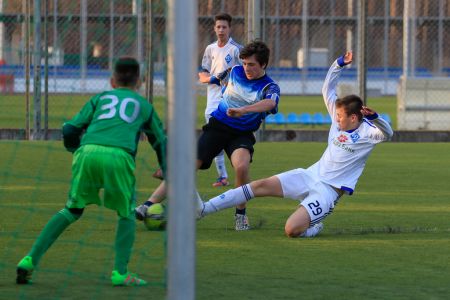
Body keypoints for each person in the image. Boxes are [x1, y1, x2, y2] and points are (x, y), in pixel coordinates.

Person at [197, 51, 394, 238]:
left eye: (340, 116)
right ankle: (204, 209)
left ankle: (314, 226)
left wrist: (376, 118)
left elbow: (388, 133)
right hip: (310, 175)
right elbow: (327, 89)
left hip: (328, 191)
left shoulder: (368, 132)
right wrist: (339, 64)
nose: (336, 118)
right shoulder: (339, 118)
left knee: (291, 230)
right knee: (258, 186)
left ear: (353, 118)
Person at [16, 57, 167, 286]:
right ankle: (120, 272)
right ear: (140, 81)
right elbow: (160, 141)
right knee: (126, 213)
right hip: (119, 156)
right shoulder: (144, 106)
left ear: (112, 81)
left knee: (72, 210)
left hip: (87, 152)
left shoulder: (99, 98)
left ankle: (29, 260)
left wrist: (74, 148)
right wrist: (166, 170)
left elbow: (69, 128)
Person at [136, 40, 281, 231]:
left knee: (242, 167)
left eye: (251, 64)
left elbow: (270, 104)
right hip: (218, 126)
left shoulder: (269, 87)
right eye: (245, 63)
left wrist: (244, 110)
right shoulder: (234, 71)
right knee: (186, 169)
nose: (246, 68)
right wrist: (200, 77)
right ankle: (147, 205)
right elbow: (213, 78)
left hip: (242, 134)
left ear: (263, 64)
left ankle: (240, 215)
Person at [198, 12, 242, 187]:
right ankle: (223, 177)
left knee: (225, 138)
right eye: (218, 27)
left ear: (229, 28)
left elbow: (243, 73)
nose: (221, 30)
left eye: (224, 27)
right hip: (212, 100)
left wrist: (228, 79)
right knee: (215, 139)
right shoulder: (210, 49)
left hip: (229, 101)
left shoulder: (236, 49)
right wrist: (213, 79)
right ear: (214, 28)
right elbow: (202, 74)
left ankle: (236, 172)